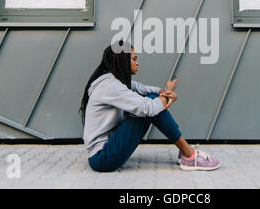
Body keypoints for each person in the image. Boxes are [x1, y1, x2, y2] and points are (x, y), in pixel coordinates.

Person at [80, 40, 221, 172]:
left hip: (107, 149)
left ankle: (186, 152)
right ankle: (189, 155)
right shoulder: (110, 86)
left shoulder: (113, 79)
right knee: (150, 105)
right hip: (103, 158)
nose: (137, 63)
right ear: (122, 60)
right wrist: (169, 94)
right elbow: (149, 108)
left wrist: (163, 92)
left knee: (153, 99)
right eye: (134, 59)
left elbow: (142, 88)